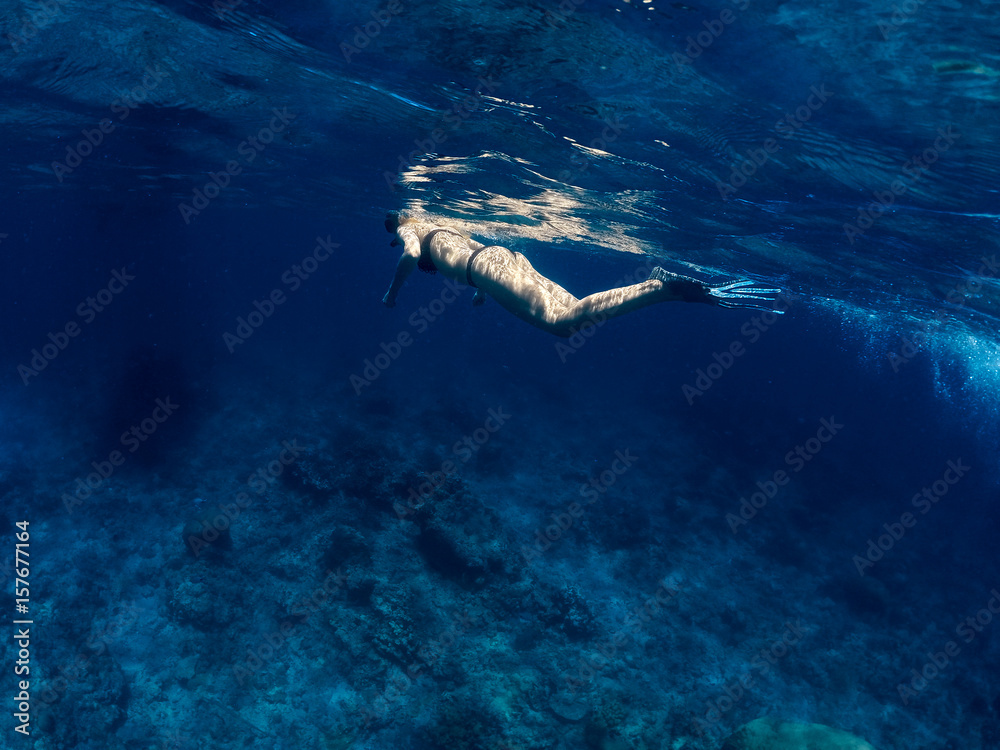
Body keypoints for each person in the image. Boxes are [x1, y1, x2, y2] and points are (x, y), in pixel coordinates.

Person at [381, 213, 782, 338]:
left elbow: (411, 256)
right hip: (503, 259)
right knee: (572, 310)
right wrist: (482, 292)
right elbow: (474, 253)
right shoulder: (439, 222)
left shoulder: (407, 227)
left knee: (562, 324)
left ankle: (659, 288)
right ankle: (659, 287)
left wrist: (392, 294)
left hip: (487, 269)